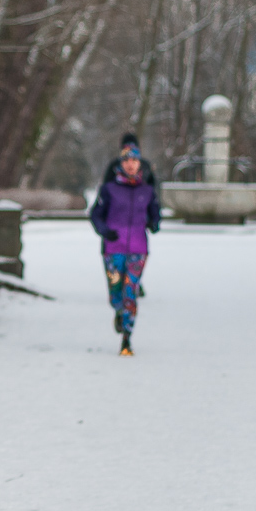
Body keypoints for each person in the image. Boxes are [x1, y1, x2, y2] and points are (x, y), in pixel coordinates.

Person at [90, 142, 160, 356]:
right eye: (127, 160)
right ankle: (119, 311)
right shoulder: (109, 189)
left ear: (140, 164)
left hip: (138, 249)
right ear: (121, 163)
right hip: (113, 249)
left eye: (135, 161)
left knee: (131, 292)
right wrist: (104, 231)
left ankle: (127, 339)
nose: (131, 165)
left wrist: (154, 224)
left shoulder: (147, 190)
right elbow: (95, 214)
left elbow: (155, 213)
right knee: (115, 293)